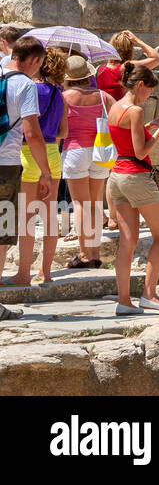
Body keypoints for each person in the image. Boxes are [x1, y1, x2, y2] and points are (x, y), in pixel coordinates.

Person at [106, 63, 159, 315]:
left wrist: (150, 126)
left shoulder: (115, 106)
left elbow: (125, 139)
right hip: (136, 176)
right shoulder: (135, 110)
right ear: (141, 85)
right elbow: (141, 151)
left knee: (128, 240)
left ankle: (124, 301)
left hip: (117, 176)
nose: (149, 96)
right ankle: (149, 294)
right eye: (149, 91)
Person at [0, 38, 53, 315]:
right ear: (33, 60)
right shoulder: (25, 85)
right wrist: (45, 172)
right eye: (40, 64)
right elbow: (32, 133)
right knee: (2, 231)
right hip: (6, 164)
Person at [6, 47, 68, 286]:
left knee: (27, 218)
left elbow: (27, 129)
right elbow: (64, 131)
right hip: (53, 153)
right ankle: (46, 272)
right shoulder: (58, 94)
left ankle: (23, 273)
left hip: (28, 153)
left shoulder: (28, 88)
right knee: (50, 216)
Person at [61, 55, 112, 269]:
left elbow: (59, 127)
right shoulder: (103, 96)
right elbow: (118, 117)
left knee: (80, 203)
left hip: (75, 150)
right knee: (95, 203)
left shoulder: (64, 97)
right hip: (101, 150)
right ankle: (95, 254)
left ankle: (84, 254)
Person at [97, 31, 159, 103]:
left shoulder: (99, 69)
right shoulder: (125, 67)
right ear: (130, 49)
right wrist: (137, 40)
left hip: (101, 112)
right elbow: (157, 58)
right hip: (119, 111)